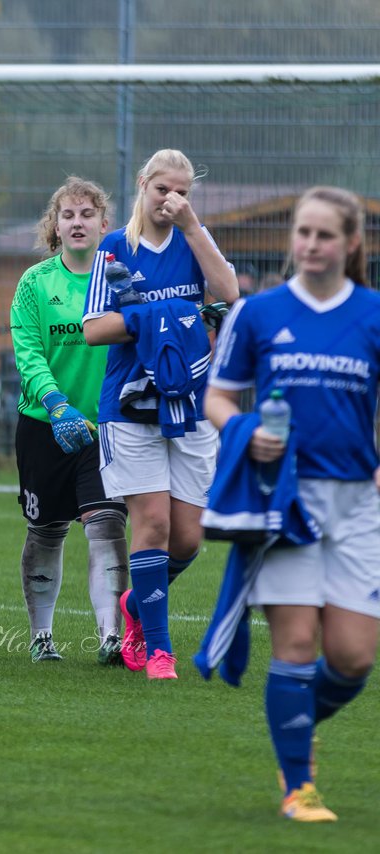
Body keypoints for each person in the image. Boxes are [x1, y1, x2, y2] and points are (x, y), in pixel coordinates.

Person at [206, 186, 380, 822]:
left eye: (324, 235)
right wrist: (244, 433)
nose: (310, 245)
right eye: (302, 233)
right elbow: (218, 398)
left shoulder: (373, 313)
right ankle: (298, 786)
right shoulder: (258, 313)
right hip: (283, 503)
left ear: (351, 244)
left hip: (359, 506)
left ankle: (296, 727)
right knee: (298, 644)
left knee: (355, 658)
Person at [83, 149, 240, 679]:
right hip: (128, 408)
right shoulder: (115, 248)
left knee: (189, 538)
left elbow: (229, 293)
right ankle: (158, 649)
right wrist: (165, 317)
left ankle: (134, 606)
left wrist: (194, 226)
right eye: (163, 189)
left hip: (188, 404)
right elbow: (95, 329)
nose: (172, 200)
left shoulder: (194, 239)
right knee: (152, 522)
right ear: (143, 184)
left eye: (183, 193)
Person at [10, 178, 129, 664]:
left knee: (105, 527)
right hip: (45, 424)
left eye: (86, 214)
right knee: (47, 532)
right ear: (54, 226)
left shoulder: (121, 279)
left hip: (107, 429)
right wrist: (57, 404)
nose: (77, 222)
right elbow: (28, 353)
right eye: (67, 215)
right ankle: (42, 638)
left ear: (104, 224)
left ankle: (111, 639)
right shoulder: (35, 283)